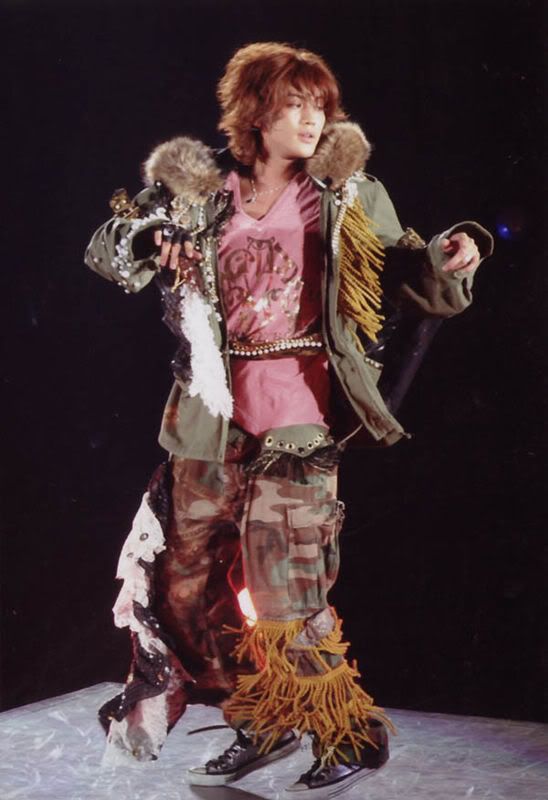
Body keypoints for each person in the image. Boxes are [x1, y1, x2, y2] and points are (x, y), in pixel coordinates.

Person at [85, 42, 493, 798]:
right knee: (185, 589)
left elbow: (408, 271)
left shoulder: (346, 193)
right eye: (294, 104)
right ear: (254, 112)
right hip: (209, 420)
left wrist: (450, 257)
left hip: (299, 421)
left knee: (286, 592)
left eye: (320, 106)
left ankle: (349, 735)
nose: (311, 120)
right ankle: (263, 719)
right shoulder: (196, 190)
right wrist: (148, 239)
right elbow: (112, 250)